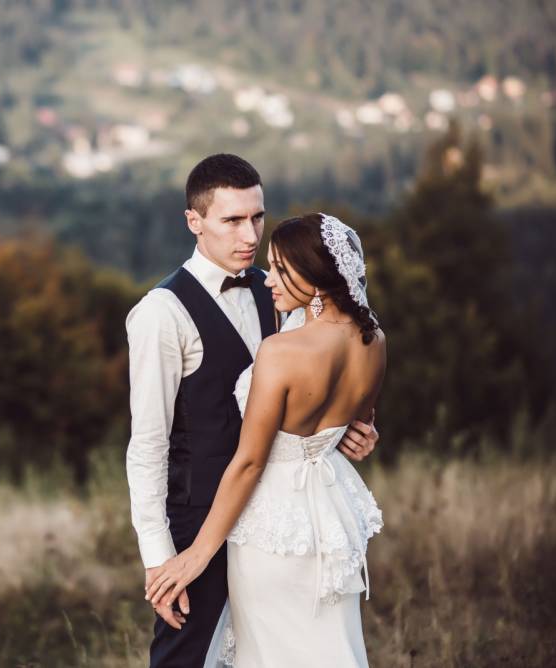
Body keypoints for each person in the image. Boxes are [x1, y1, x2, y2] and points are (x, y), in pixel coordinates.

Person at [125, 153, 380, 668]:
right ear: (194, 222)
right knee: (185, 659)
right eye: (232, 220)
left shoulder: (282, 291)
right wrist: (159, 557)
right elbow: (148, 445)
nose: (250, 236)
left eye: (258, 217)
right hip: (198, 519)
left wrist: (351, 429)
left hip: (279, 520)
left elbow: (313, 391)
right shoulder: (161, 313)